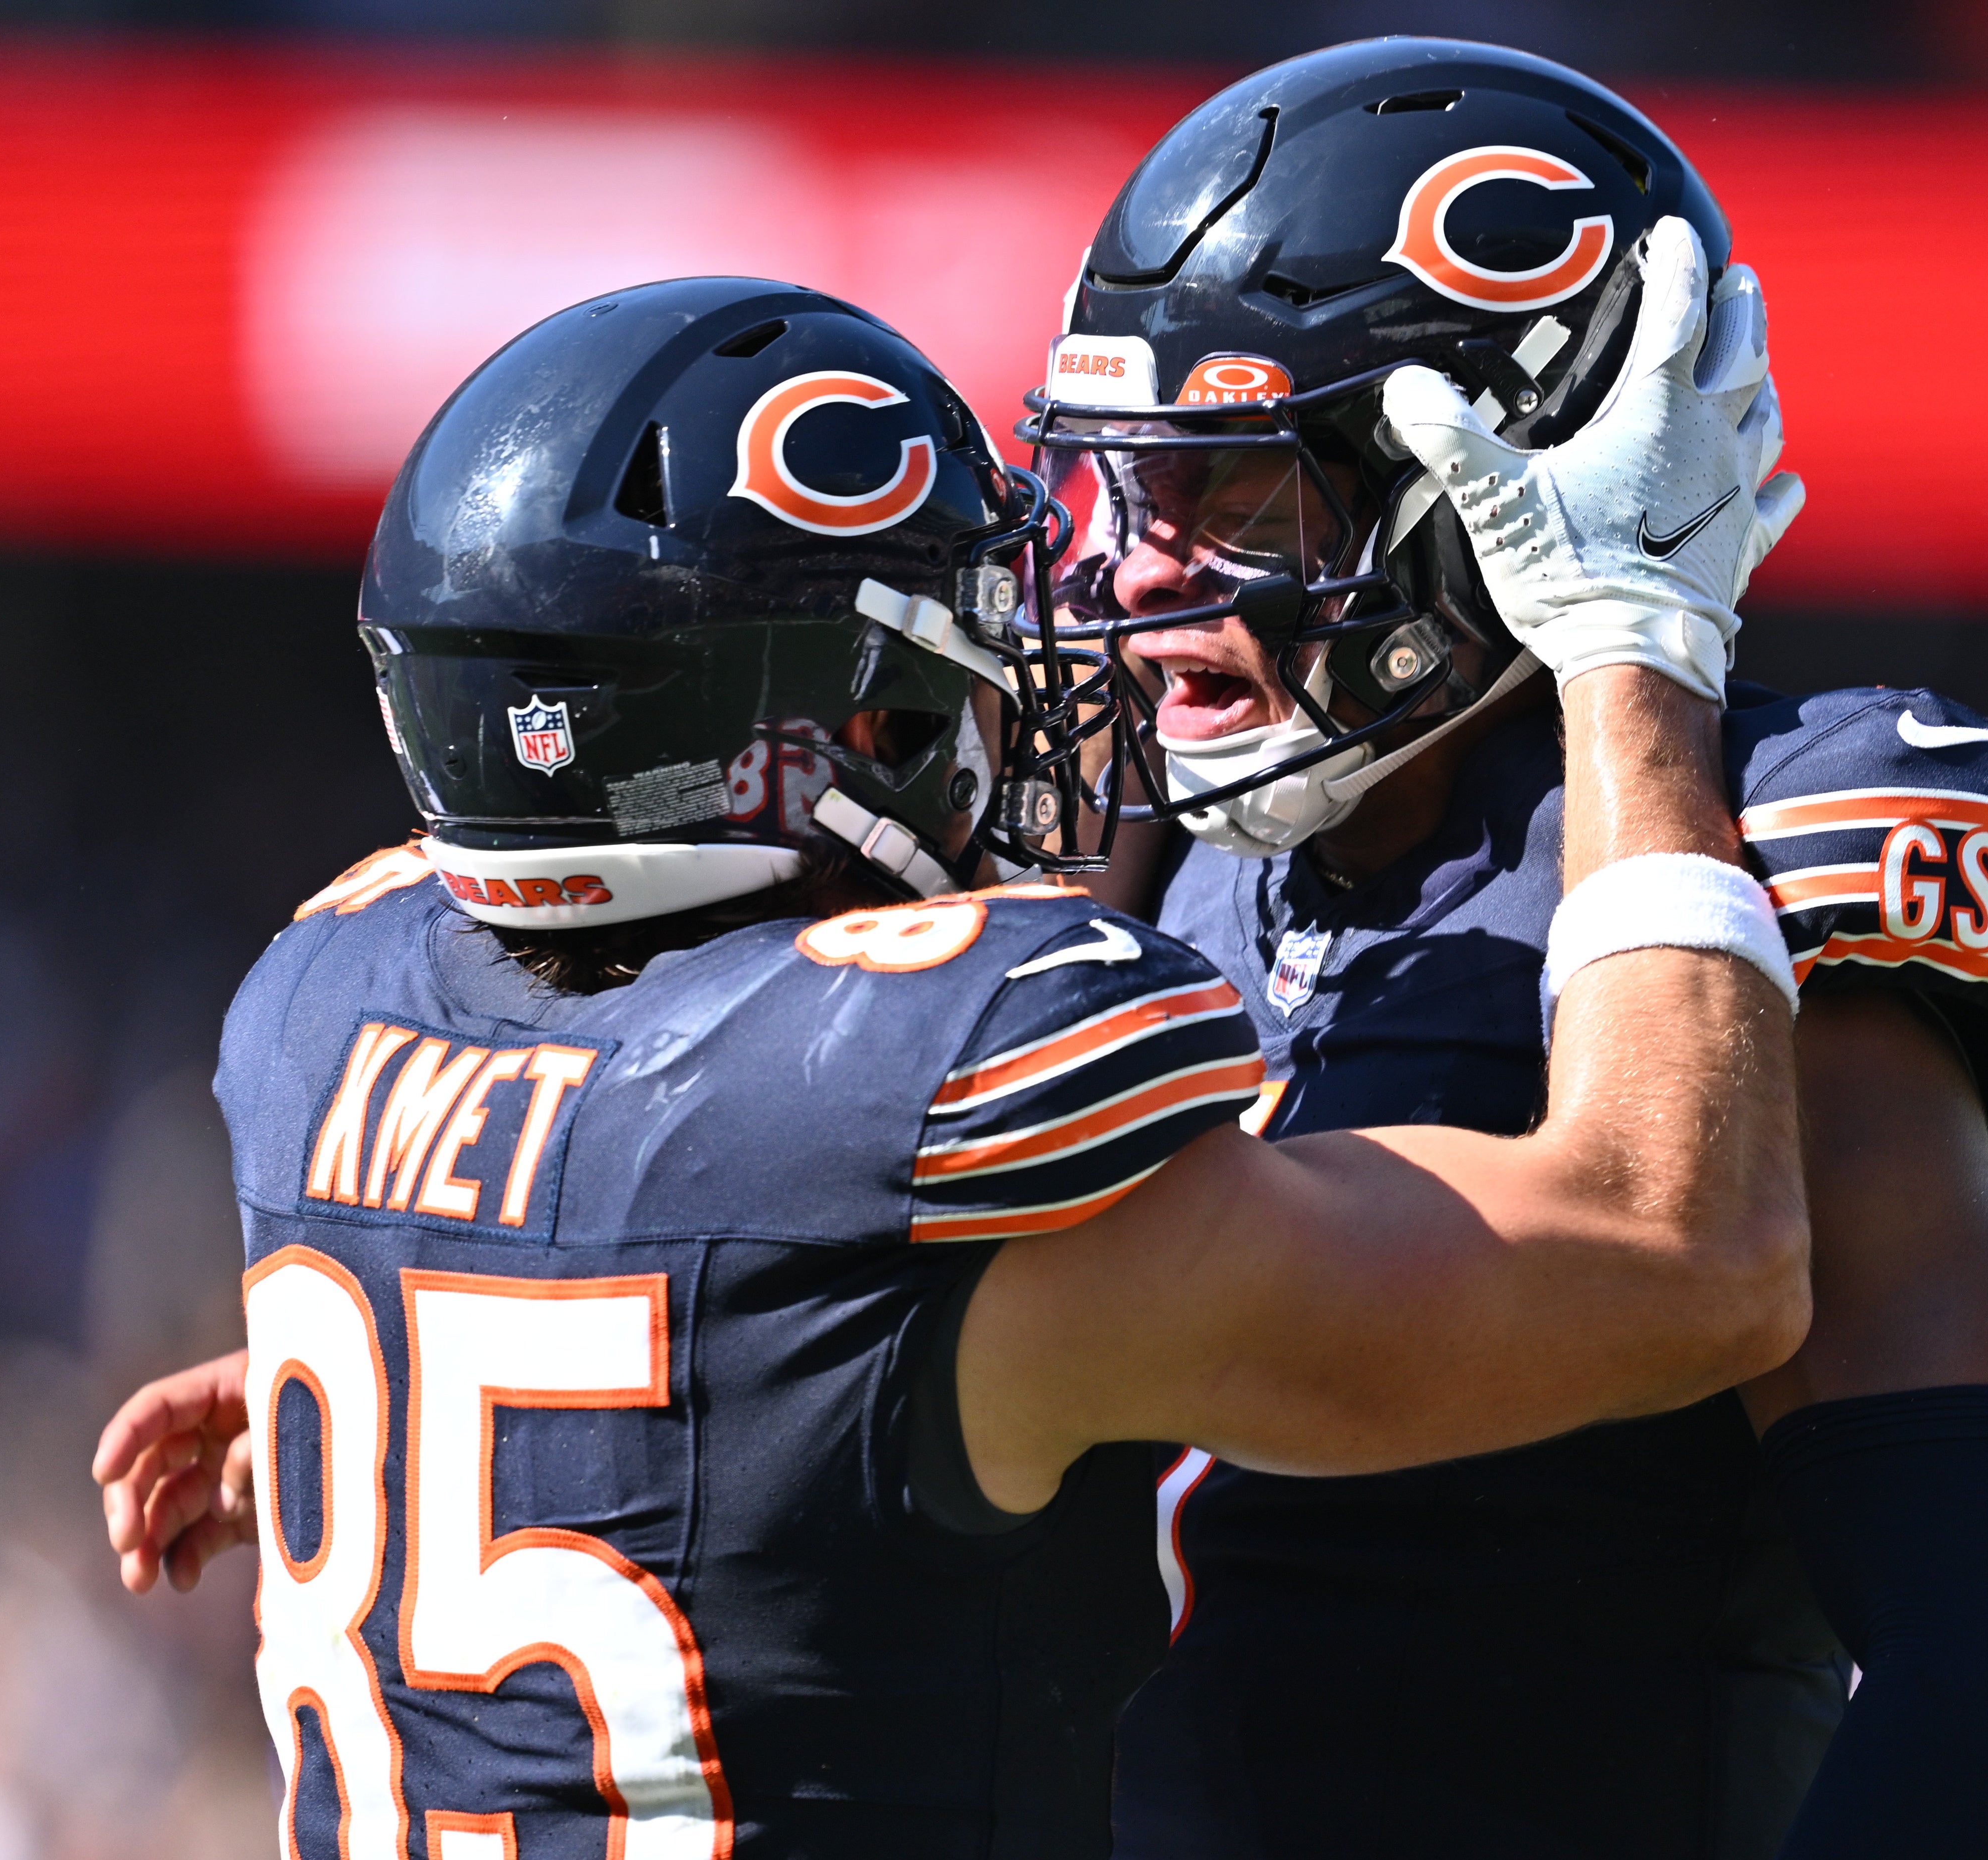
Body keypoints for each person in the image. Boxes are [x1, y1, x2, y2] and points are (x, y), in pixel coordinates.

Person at [92, 262, 1812, 1859]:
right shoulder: (912, 1141)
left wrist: (471, 1410)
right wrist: (1634, 645)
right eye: (952, 663)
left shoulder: (332, 994)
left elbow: (641, 1269)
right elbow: (1683, 1252)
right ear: (840, 726)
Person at [1023, 40, 1988, 1860]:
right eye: (1134, 482)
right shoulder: (1173, 864)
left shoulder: (1771, 840)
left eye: (1245, 495)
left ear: (1504, 472)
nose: (1146, 569)